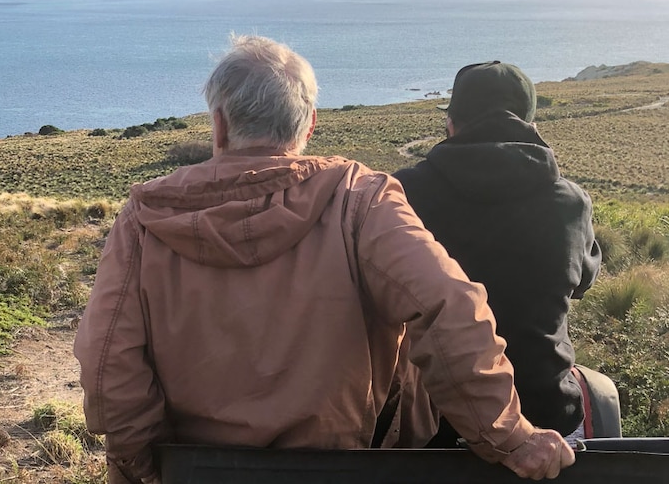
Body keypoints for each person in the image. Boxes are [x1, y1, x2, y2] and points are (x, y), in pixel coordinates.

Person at [73, 37, 575, 484]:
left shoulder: (144, 218)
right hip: (346, 465)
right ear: (310, 124)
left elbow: (106, 364)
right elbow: (448, 305)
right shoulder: (361, 199)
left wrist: (148, 465)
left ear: (219, 125)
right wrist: (508, 436)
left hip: (196, 467)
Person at [391, 61, 601, 446]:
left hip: (433, 421)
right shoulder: (570, 203)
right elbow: (583, 280)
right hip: (545, 414)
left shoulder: (403, 194)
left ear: (451, 123)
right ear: (529, 125)